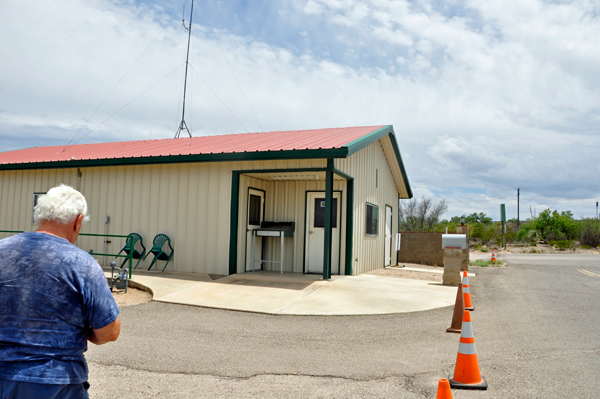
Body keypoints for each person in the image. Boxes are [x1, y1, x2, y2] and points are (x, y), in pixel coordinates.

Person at [0, 184, 120, 398]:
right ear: (78, 221)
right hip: (53, 382)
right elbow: (109, 331)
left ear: (39, 215)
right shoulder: (81, 263)